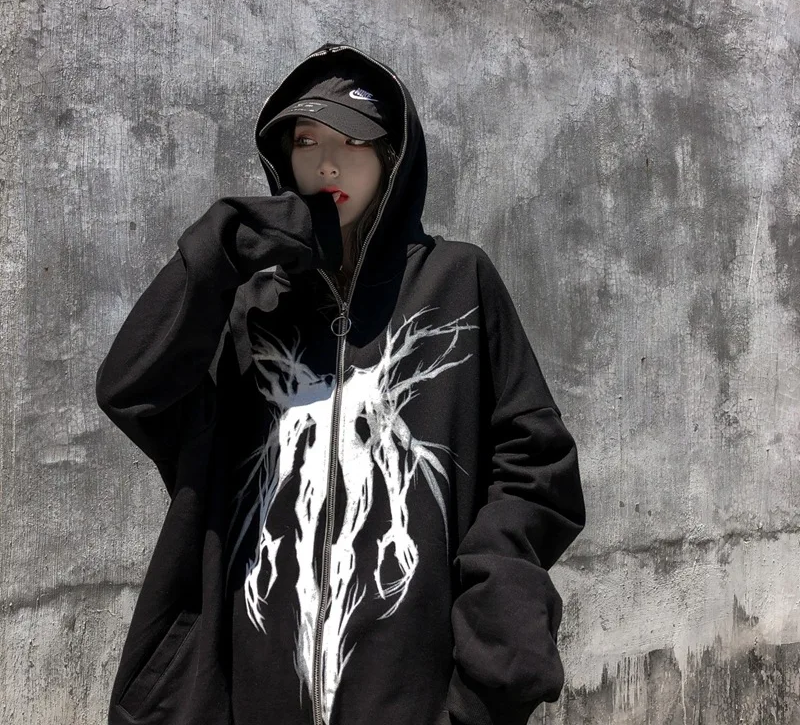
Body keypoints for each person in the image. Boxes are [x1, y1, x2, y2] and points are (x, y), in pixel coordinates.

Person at [95, 41, 586, 725]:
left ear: (391, 156)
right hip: (256, 695)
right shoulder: (255, 308)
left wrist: (494, 662)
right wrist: (224, 248)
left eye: (352, 142)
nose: (326, 163)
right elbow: (132, 390)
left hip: (415, 698)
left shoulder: (458, 280)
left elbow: (537, 469)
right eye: (306, 141)